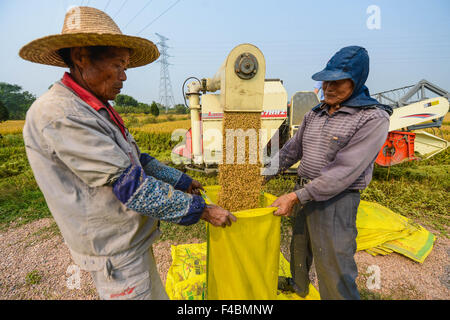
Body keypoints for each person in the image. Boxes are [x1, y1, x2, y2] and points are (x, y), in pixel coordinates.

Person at [19, 6, 236, 300]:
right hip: (114, 254)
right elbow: (130, 185)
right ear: (81, 56)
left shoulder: (96, 107)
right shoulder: (60, 113)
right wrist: (204, 211)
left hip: (129, 242)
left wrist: (182, 181)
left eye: (126, 67)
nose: (124, 76)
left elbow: (138, 160)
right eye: (118, 64)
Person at [266, 46, 392, 300]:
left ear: (356, 82)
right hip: (304, 193)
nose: (328, 87)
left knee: (333, 262)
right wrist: (263, 173)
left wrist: (294, 197)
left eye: (337, 82)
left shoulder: (372, 118)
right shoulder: (316, 113)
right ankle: (298, 286)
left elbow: (343, 172)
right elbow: (292, 150)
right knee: (299, 247)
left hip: (336, 201)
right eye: (326, 80)